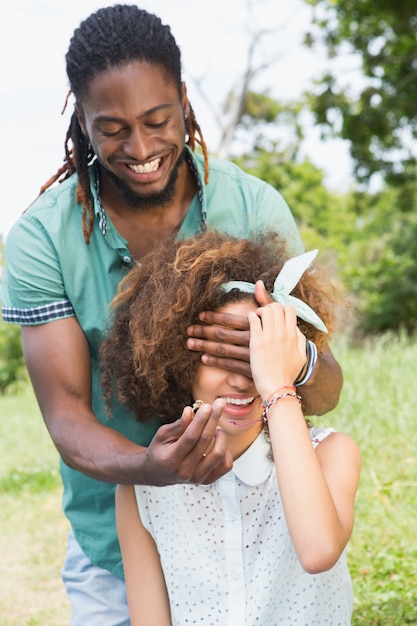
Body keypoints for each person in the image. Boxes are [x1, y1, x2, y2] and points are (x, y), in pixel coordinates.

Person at [1, 4, 343, 624]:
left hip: (264, 535)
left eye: (158, 120)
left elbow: (326, 385)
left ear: (184, 102)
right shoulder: (39, 241)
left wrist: (295, 363)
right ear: (80, 117)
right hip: (119, 539)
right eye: (112, 128)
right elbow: (66, 414)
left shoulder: (253, 206)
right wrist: (147, 471)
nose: (141, 149)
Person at [100, 230, 361, 626]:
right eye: (223, 356)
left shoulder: (331, 452)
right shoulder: (141, 491)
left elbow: (318, 551)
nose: (242, 381)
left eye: (254, 356)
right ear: (178, 363)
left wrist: (278, 384)